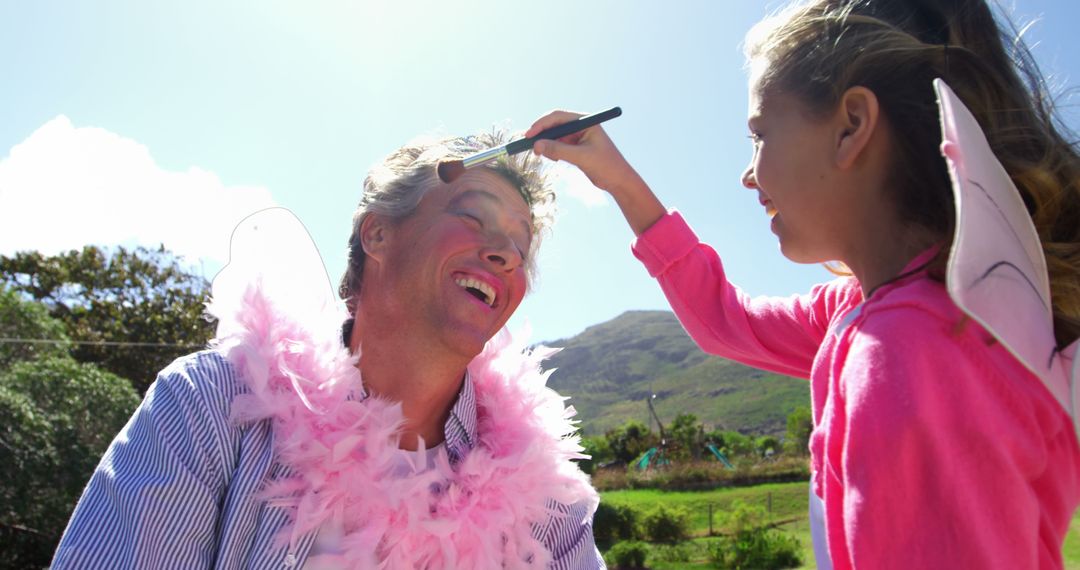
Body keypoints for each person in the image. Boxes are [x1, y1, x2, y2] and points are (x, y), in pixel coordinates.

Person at [527, 0, 1080, 568]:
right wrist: (620, 180)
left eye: (760, 135)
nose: (747, 174)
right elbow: (727, 321)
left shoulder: (903, 353)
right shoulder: (918, 308)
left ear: (851, 127)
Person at [51, 132, 604, 569]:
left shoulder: (544, 493)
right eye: (472, 216)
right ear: (378, 235)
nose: (506, 252)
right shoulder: (214, 403)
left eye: (520, 243)